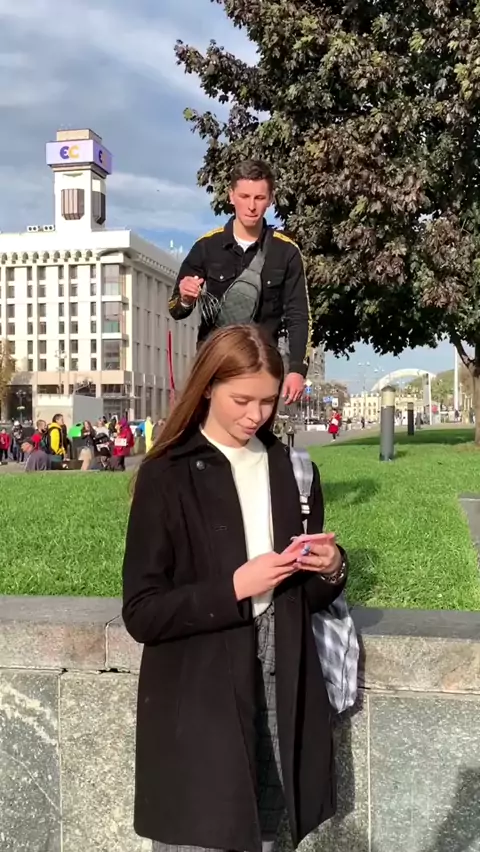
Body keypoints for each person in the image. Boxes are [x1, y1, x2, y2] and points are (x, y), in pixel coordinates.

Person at [122, 325, 347, 852]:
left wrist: (332, 568)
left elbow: (306, 598)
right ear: (207, 387)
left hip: (282, 691)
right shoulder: (167, 475)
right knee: (203, 835)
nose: (256, 415)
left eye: (268, 402)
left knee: (269, 835)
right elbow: (142, 612)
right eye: (241, 400)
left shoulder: (293, 470)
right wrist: (235, 587)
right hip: (201, 701)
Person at [168, 159, 311, 405]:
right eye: (244, 196)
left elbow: (299, 315)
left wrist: (297, 369)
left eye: (259, 198)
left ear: (270, 199)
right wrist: (185, 298)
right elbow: (175, 309)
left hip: (262, 368)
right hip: (215, 369)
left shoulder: (287, 252)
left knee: (255, 429)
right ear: (231, 196)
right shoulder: (206, 247)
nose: (251, 206)